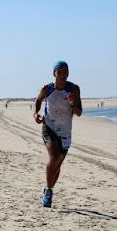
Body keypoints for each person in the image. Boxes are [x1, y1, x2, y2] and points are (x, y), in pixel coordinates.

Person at [33, 60, 82, 208]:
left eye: (64, 72)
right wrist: (36, 113)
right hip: (49, 126)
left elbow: (79, 113)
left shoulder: (73, 89)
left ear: (68, 73)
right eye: (59, 72)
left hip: (65, 130)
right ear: (54, 73)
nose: (62, 75)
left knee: (59, 162)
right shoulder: (46, 89)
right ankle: (48, 192)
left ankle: (49, 189)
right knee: (54, 157)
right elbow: (38, 100)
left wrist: (73, 103)